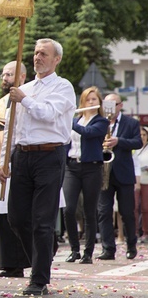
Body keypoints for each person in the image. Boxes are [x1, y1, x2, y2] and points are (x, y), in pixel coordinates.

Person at [0, 39, 76, 296]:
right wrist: (4, 160)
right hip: (22, 155)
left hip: (49, 155)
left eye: (44, 53)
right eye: (35, 53)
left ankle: (39, 278)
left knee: (42, 220)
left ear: (56, 59)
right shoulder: (25, 87)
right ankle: (44, 252)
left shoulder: (63, 87)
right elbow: (11, 126)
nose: (38, 57)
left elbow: (48, 114)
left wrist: (25, 99)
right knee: (17, 217)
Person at [0, 61, 30, 278]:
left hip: (23, 163)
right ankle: (9, 263)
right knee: (3, 214)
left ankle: (27, 260)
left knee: (21, 214)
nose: (5, 78)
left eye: (9, 74)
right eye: (3, 74)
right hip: (3, 167)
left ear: (21, 77)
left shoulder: (30, 99)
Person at [63, 86, 109, 264]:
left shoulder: (102, 122)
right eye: (88, 99)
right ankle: (74, 249)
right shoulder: (77, 119)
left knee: (90, 211)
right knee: (68, 209)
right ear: (82, 101)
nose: (91, 102)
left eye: (94, 100)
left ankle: (88, 252)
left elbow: (88, 133)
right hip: (72, 166)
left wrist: (69, 121)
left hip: (91, 168)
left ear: (99, 103)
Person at [96, 93, 142, 260]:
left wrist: (119, 141)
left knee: (127, 212)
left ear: (120, 105)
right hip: (104, 172)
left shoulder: (131, 123)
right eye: (106, 104)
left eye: (113, 104)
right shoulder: (100, 122)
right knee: (103, 212)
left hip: (123, 173)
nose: (110, 108)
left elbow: (138, 142)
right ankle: (108, 249)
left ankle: (131, 245)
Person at [133, 126, 148, 243]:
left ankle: (145, 232)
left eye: (144, 135)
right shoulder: (134, 149)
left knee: (145, 207)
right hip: (134, 180)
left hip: (146, 180)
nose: (142, 137)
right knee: (134, 207)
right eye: (140, 135)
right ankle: (135, 232)